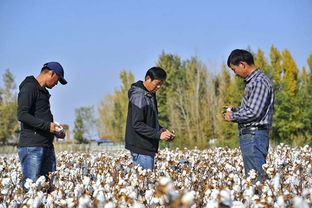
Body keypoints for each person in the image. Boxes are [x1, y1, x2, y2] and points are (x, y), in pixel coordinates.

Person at [223, 49, 274, 183]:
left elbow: (254, 112)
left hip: (254, 136)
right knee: (253, 177)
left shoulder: (258, 82)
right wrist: (236, 109)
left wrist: (233, 116)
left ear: (243, 64)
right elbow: (252, 109)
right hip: (252, 136)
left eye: (234, 70)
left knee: (256, 179)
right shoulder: (254, 82)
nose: (235, 74)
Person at [17, 62, 67, 192]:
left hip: (46, 146)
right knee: (32, 191)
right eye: (58, 80)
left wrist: (55, 131)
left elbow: (40, 117)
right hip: (32, 147)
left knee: (49, 189)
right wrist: (47, 126)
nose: (57, 84)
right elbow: (22, 115)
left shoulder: (42, 91)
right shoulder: (29, 87)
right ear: (51, 73)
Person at [125, 66, 175, 170]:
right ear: (148, 78)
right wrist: (158, 134)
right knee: (146, 183)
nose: (159, 87)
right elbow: (137, 124)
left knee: (144, 182)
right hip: (141, 148)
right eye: (157, 84)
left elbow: (147, 120)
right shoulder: (139, 95)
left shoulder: (149, 95)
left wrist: (160, 129)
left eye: (161, 84)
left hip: (145, 147)